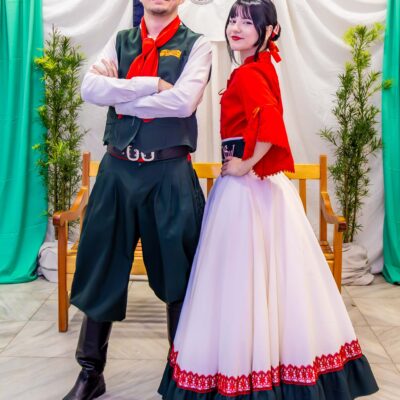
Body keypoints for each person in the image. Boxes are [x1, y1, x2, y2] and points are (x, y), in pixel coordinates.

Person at [158, 1, 379, 399]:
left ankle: (246, 369)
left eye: (248, 22)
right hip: (259, 189)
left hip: (247, 190)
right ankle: (269, 365)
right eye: (233, 19)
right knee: (266, 279)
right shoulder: (255, 68)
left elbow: (271, 124)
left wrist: (245, 164)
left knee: (241, 278)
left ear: (270, 31)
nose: (236, 27)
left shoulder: (249, 73)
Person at [63, 1, 212, 399]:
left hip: (169, 172)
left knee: (179, 274)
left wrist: (120, 96)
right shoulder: (120, 41)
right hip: (117, 170)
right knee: (102, 266)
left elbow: (183, 103)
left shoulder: (198, 46)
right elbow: (90, 88)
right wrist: (151, 85)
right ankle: (90, 373)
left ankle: (182, 376)